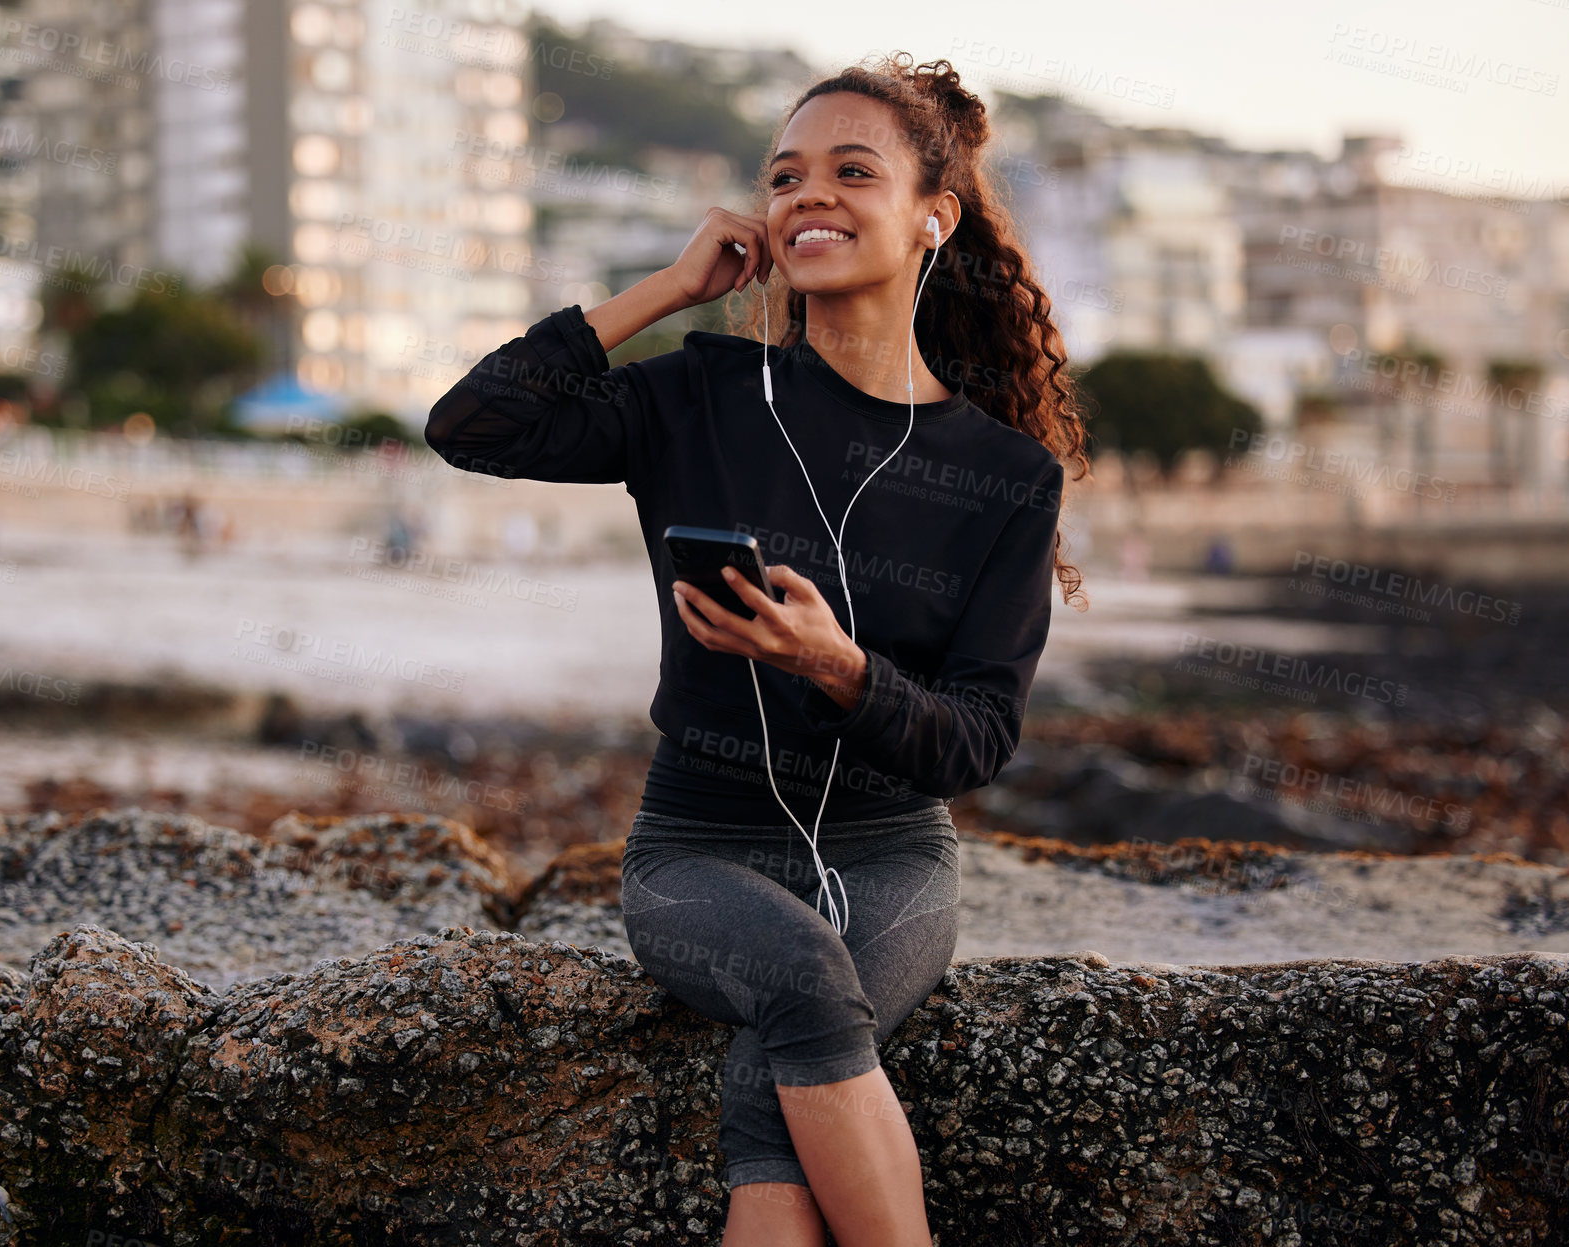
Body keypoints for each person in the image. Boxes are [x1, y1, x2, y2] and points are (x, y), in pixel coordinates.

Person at [425, 51, 1089, 1247]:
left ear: (934, 215)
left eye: (850, 170)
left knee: (777, 1063)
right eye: (784, 177)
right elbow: (472, 424)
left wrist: (836, 664)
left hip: (892, 859)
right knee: (799, 987)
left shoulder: (1004, 476)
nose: (807, 196)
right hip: (698, 851)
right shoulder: (699, 397)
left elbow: (976, 742)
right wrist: (669, 291)